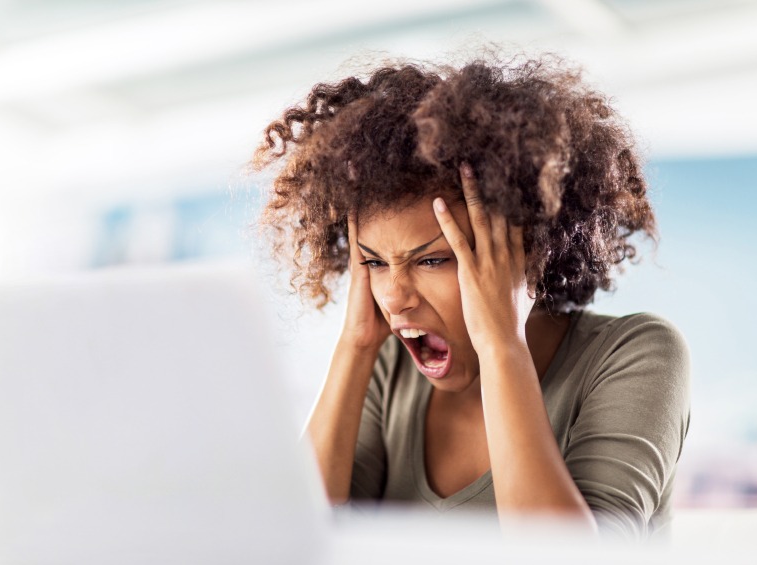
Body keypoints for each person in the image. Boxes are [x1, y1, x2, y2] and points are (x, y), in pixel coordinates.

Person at [251, 55, 690, 541]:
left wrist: (502, 345)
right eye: (375, 263)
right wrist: (354, 349)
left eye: (433, 260)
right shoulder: (386, 370)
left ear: (525, 254)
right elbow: (285, 543)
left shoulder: (635, 354)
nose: (394, 297)